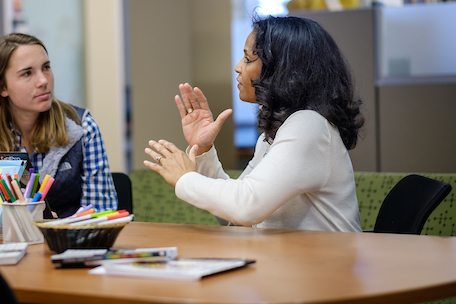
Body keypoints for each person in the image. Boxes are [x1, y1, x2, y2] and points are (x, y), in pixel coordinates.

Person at [144, 15, 364, 232]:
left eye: (249, 59)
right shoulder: (276, 133)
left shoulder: (309, 125)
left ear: (282, 69)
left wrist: (186, 179)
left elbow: (245, 207)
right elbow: (236, 215)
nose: (238, 67)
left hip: (328, 266)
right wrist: (203, 150)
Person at [0, 33, 118, 217]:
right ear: (2, 88)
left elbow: (101, 214)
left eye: (46, 67)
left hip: (66, 244)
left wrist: (59, 229)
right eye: (27, 73)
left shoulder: (82, 127)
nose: (43, 81)